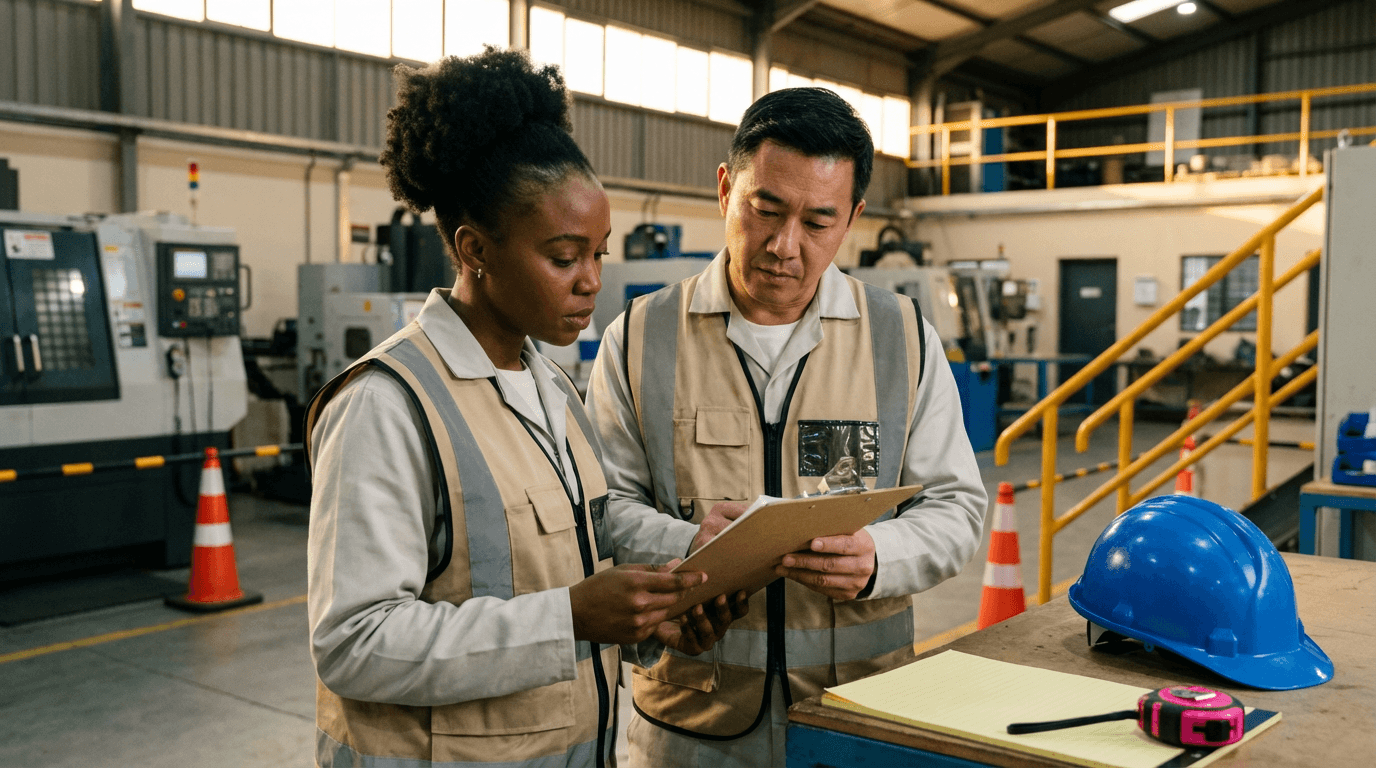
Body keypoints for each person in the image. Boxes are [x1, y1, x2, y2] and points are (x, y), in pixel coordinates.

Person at [306, 49, 743, 768]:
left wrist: (649, 620)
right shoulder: (387, 405)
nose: (591, 283)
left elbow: (559, 566)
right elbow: (353, 644)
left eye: (599, 254)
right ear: (475, 249)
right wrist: (570, 617)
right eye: (565, 257)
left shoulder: (553, 389)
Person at [585, 87, 988, 766]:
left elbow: (956, 505)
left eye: (818, 222)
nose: (783, 246)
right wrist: (685, 541)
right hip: (690, 726)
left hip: (857, 720)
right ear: (724, 189)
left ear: (853, 218)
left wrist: (879, 558)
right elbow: (599, 510)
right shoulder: (640, 337)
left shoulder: (901, 337)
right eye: (764, 210)